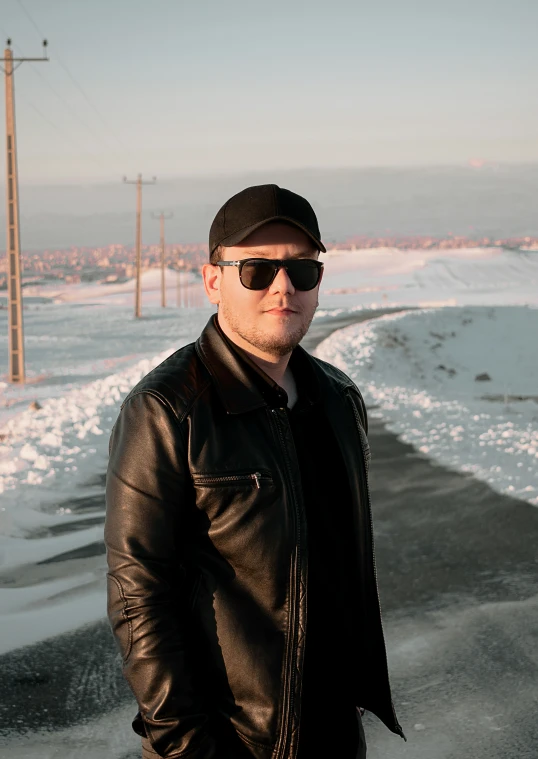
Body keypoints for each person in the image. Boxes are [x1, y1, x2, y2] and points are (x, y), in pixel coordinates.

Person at [105, 184, 404, 759]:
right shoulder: (167, 411)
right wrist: (185, 742)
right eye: (257, 270)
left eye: (303, 271)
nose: (283, 288)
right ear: (213, 279)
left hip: (334, 730)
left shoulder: (339, 399)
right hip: (229, 741)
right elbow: (137, 594)